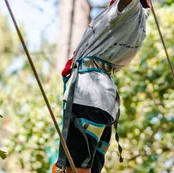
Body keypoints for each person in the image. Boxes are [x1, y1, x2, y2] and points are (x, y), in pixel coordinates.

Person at [53, 0, 150, 172]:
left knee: (74, 168)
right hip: (102, 101)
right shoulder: (138, 23)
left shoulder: (130, 9)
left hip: (88, 95)